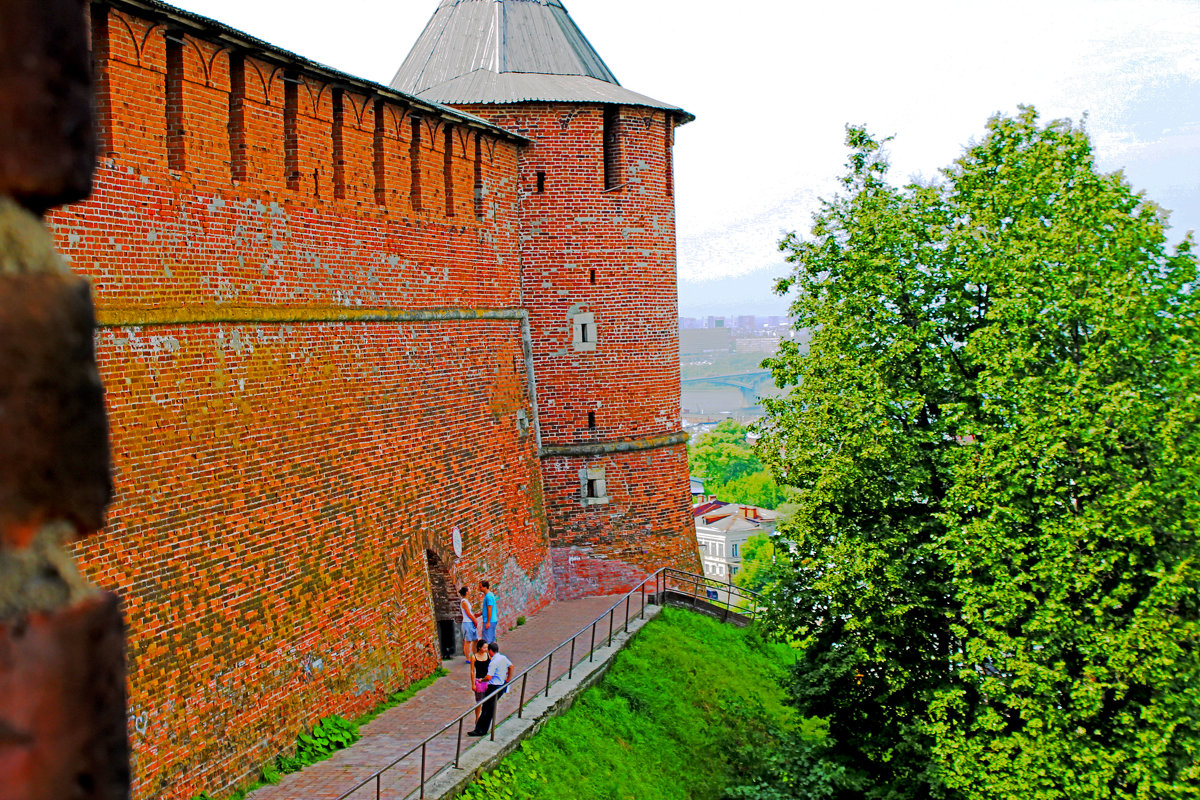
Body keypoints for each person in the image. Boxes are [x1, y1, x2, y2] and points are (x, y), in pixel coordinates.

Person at [467, 641, 513, 736]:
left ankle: (480, 730)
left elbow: (488, 677)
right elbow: (511, 667)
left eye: (488, 649)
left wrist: (481, 680)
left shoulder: (493, 662)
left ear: (491, 650)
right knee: (489, 708)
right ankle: (482, 729)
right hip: (501, 685)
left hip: (493, 686)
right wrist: (508, 679)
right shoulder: (503, 658)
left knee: (487, 708)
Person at [470, 639, 491, 725]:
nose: (486, 649)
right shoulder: (474, 657)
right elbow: (472, 671)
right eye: (484, 647)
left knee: (487, 701)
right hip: (479, 680)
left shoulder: (488, 655)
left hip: (487, 680)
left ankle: (485, 718)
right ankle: (477, 718)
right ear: (479, 647)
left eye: (486, 647)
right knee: (479, 701)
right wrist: (473, 684)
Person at [459, 586, 480, 663]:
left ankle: (474, 655)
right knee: (468, 641)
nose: (470, 590)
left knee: (475, 640)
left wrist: (476, 616)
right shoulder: (464, 602)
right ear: (466, 592)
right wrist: (474, 620)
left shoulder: (466, 601)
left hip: (470, 622)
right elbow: (468, 613)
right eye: (469, 589)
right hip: (467, 623)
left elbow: (470, 613)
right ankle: (468, 658)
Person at [479, 580, 499, 644]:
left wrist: (488, 622)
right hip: (492, 620)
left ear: (485, 587)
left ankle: (488, 653)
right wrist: (480, 613)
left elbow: (490, 608)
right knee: (492, 639)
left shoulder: (488, 596)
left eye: (480, 587)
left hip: (489, 621)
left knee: (487, 640)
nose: (479, 589)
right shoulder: (490, 595)